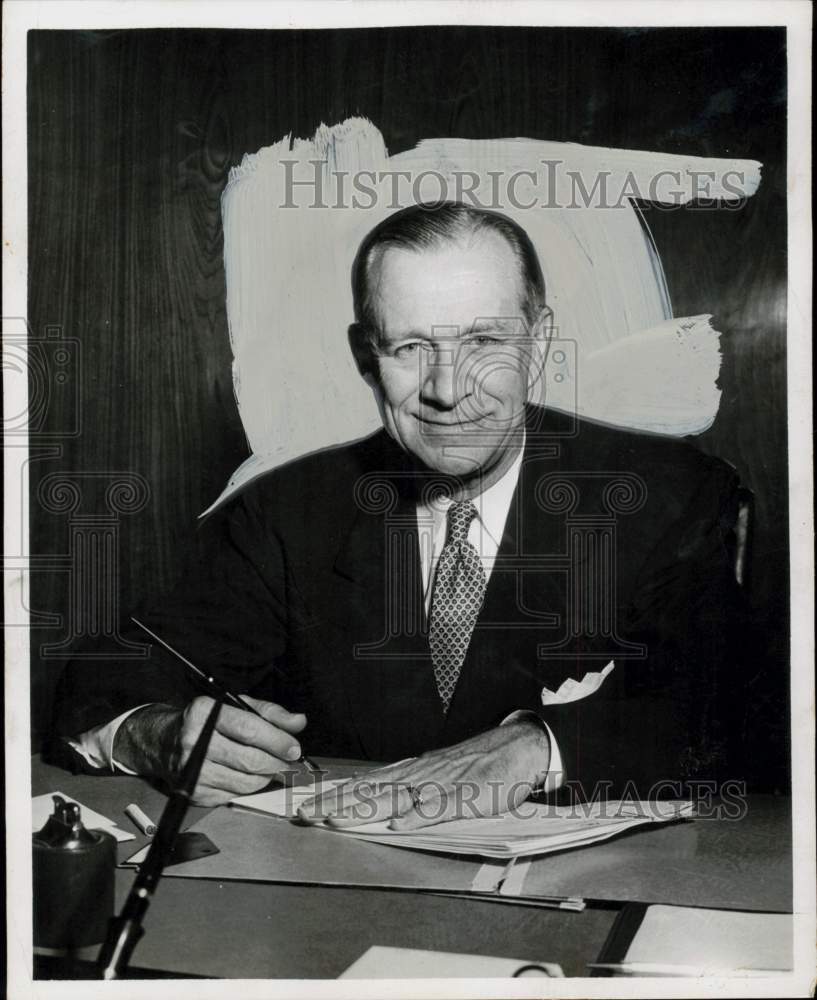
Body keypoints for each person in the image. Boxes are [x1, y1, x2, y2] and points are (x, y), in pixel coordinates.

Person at [52, 202, 745, 828]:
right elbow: (116, 672)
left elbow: (734, 713)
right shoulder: (286, 512)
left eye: (483, 343)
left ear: (539, 339)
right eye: (410, 348)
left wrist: (542, 745)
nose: (448, 390)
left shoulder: (671, 495)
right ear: (365, 357)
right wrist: (157, 733)